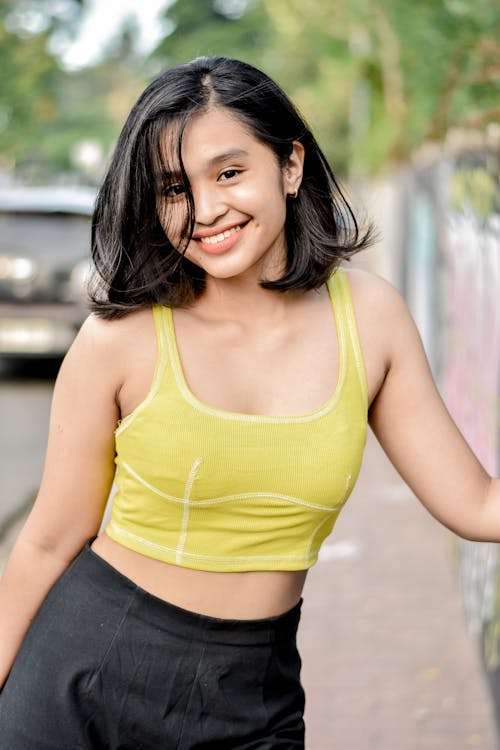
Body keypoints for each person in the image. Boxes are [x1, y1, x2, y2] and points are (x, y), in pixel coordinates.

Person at [0, 55, 497, 749]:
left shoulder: (371, 320)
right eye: (175, 188)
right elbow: (50, 539)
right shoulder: (120, 338)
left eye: (229, 173)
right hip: (87, 680)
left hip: (252, 695)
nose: (205, 212)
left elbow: (476, 505)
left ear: (290, 167)